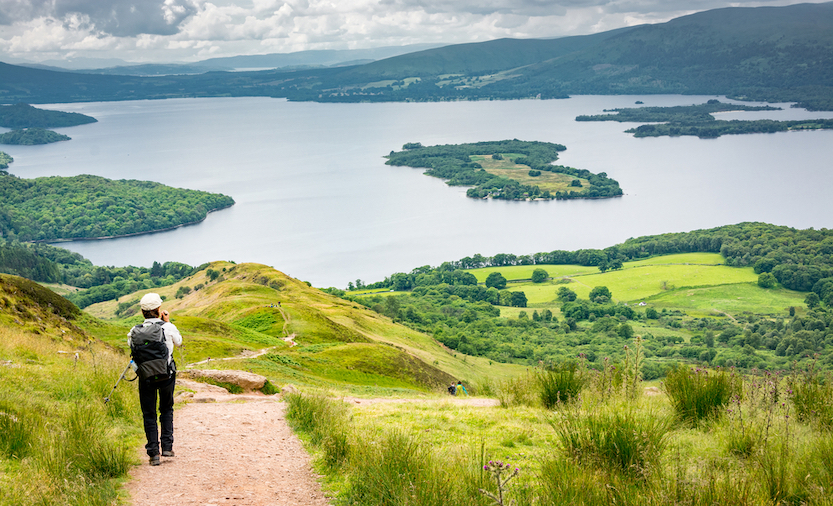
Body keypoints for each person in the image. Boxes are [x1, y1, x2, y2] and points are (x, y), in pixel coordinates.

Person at [128, 293, 183, 466]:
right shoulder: (168, 327)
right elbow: (179, 342)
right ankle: (167, 447)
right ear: (159, 310)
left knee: (149, 413)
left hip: (145, 378)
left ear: (142, 312)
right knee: (166, 409)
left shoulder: (133, 332)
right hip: (166, 375)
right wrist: (167, 322)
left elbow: (132, 350)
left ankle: (153, 454)